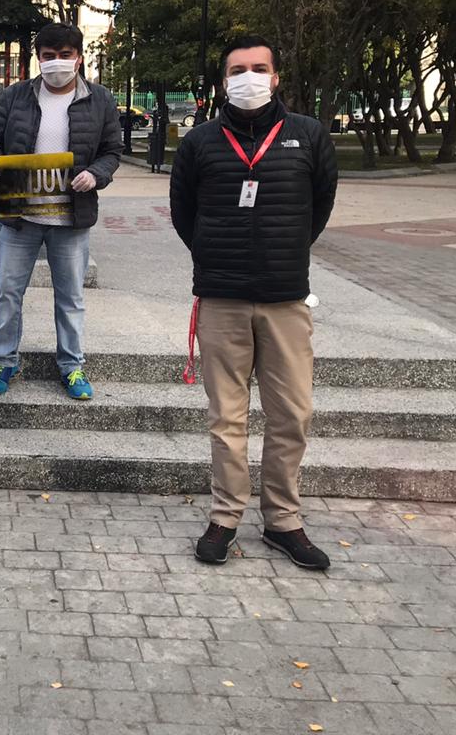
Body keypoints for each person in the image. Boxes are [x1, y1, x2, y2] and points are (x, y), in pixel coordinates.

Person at [169, 34, 338, 571]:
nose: (249, 77)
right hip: (222, 298)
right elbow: (183, 214)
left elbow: (320, 207)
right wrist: (219, 254)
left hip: (286, 299)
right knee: (228, 417)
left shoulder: (308, 135)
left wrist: (283, 252)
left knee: (292, 413)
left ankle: (284, 520)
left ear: (276, 76)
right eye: (238, 69)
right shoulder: (200, 141)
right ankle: (225, 516)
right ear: (224, 81)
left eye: (259, 68)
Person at [0, 23, 123, 400]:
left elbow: (112, 152)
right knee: (8, 292)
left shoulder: (100, 100)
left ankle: (72, 367)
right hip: (21, 216)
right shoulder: (14, 97)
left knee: (71, 296)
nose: (56, 63)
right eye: (48, 56)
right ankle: (3, 360)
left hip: (71, 217)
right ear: (38, 59)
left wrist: (95, 174)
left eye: (64, 55)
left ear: (78, 57)